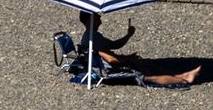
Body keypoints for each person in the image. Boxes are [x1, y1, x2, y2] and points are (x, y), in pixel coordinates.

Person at [60, 14, 201, 87]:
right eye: (97, 16)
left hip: (100, 66)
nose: (100, 17)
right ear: (91, 19)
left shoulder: (90, 36)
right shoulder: (94, 38)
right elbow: (111, 59)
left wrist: (128, 35)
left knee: (146, 67)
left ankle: (181, 75)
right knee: (145, 76)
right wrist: (127, 59)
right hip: (108, 70)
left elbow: (114, 46)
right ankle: (184, 78)